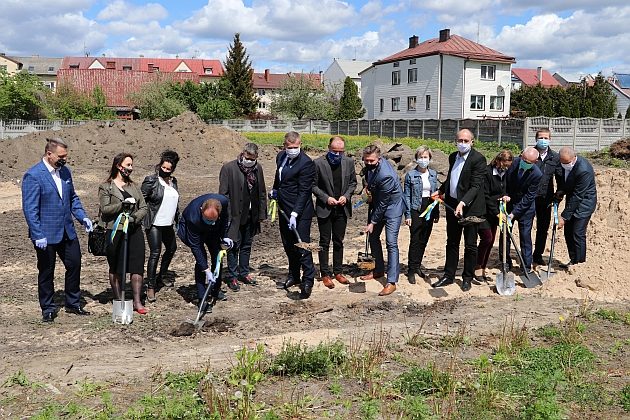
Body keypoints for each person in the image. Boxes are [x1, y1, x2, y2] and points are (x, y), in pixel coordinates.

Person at [22, 137, 93, 322]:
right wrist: (37, 234)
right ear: (49, 154)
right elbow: (30, 209)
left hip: (66, 231)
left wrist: (82, 217)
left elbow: (72, 199)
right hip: (45, 234)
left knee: (74, 264)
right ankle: (48, 307)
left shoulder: (65, 172)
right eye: (61, 156)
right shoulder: (34, 175)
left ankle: (73, 303)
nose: (64, 160)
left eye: (66, 156)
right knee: (47, 271)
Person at [431, 129, 487, 292]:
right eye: (459, 140)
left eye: (465, 140)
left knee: (470, 244)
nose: (462, 143)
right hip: (452, 205)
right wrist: (441, 190)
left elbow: (476, 186)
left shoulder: (478, 159)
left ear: (472, 142)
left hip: (470, 208)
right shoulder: (452, 157)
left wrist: (463, 202)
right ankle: (449, 275)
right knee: (452, 241)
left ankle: (467, 277)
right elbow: (452, 178)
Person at [99, 153, 148, 314]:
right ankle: (118, 299)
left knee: (137, 266)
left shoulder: (133, 186)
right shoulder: (106, 187)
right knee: (116, 267)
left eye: (131, 165)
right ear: (119, 166)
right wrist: (122, 205)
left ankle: (137, 301)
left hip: (134, 231)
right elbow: (105, 209)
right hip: (115, 231)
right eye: (128, 165)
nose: (130, 168)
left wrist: (134, 219)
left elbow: (144, 207)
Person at [271, 131, 316, 299]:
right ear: (284, 146)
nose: (292, 150)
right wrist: (275, 190)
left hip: (300, 211)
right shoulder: (280, 156)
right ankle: (294, 275)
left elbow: (305, 191)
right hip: (284, 208)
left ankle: (308, 280)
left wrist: (296, 213)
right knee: (289, 245)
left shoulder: (306, 163)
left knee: (302, 246)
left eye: (295, 147)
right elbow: (279, 176)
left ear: (300, 144)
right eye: (289, 147)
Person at [219, 143, 267, 291]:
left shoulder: (258, 169)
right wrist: (226, 217)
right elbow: (223, 195)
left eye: (253, 159)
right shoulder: (229, 168)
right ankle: (232, 276)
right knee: (234, 246)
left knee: (247, 245)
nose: (249, 161)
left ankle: (244, 272)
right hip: (234, 215)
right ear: (242, 154)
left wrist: (261, 214)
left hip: (251, 215)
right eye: (247, 158)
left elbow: (261, 192)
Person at [359, 144, 404, 296]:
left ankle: (391, 281)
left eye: (371, 161)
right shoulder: (371, 167)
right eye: (366, 160)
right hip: (378, 204)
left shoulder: (386, 175)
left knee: (391, 243)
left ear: (379, 158)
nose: (369, 163)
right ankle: (378, 269)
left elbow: (384, 203)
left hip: (392, 209)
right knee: (373, 237)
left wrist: (372, 222)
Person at [312, 136, 357, 289]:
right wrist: (326, 198)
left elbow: (353, 183)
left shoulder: (349, 162)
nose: (337, 154)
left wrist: (346, 196)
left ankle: (338, 271)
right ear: (328, 148)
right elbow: (313, 185)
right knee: (324, 242)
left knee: (339, 241)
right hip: (325, 208)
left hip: (342, 208)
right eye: (334, 151)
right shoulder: (318, 163)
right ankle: (325, 273)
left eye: (341, 152)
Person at [177, 194, 232, 310]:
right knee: (201, 259)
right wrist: (206, 270)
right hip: (193, 231)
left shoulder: (223, 202)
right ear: (202, 210)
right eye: (207, 219)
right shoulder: (193, 218)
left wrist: (225, 236)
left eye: (213, 219)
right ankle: (202, 298)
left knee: (217, 257)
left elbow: (225, 219)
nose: (210, 221)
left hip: (213, 231)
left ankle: (215, 290)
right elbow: (196, 247)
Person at [141, 150, 180, 303]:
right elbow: (141, 200)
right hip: (154, 223)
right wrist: (140, 218)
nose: (164, 170)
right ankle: (150, 286)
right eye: (162, 167)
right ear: (159, 165)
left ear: (172, 169)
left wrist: (178, 218)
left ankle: (161, 275)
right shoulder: (151, 180)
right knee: (155, 252)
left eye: (168, 169)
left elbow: (175, 202)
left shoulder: (174, 182)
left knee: (171, 248)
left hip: (168, 224)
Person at [475, 150, 513, 282]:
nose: (506, 168)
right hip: (484, 211)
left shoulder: (505, 173)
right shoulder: (487, 173)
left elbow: (504, 189)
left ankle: (483, 267)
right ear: (498, 161)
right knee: (487, 238)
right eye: (504, 165)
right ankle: (477, 265)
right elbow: (485, 195)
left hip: (496, 212)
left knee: (491, 241)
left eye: (508, 165)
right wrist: (497, 213)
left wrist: (506, 195)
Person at [403, 146, 439, 284]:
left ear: (429, 158)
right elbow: (406, 195)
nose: (423, 160)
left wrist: (436, 212)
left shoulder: (433, 174)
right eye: (421, 157)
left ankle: (418, 265)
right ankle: (411, 269)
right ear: (416, 159)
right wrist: (408, 215)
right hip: (416, 208)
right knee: (415, 239)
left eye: (426, 157)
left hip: (429, 206)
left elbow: (435, 194)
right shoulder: (411, 175)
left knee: (424, 238)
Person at [556, 147, 597, 269]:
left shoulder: (583, 170)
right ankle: (573, 260)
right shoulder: (563, 163)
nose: (565, 165)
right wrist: (561, 191)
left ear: (574, 158)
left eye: (567, 163)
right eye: (563, 162)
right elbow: (566, 181)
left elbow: (578, 195)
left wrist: (564, 216)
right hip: (573, 200)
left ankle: (580, 265)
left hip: (584, 203)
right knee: (568, 232)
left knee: (577, 233)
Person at [503, 147, 542, 274]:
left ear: (535, 162)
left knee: (525, 236)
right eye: (523, 159)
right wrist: (505, 194)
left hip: (526, 209)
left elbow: (529, 197)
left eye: (528, 161)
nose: (524, 162)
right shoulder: (514, 163)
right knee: (505, 234)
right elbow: (504, 182)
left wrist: (514, 214)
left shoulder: (537, 174)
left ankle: (526, 265)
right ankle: (505, 262)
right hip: (509, 203)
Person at [532, 129, 564, 266]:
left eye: (546, 138)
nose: (543, 140)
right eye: (541, 137)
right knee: (526, 227)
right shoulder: (529, 154)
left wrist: (559, 193)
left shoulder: (555, 158)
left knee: (543, 228)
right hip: (530, 197)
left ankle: (537, 255)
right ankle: (526, 254)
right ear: (536, 139)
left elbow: (560, 178)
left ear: (550, 139)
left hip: (546, 198)